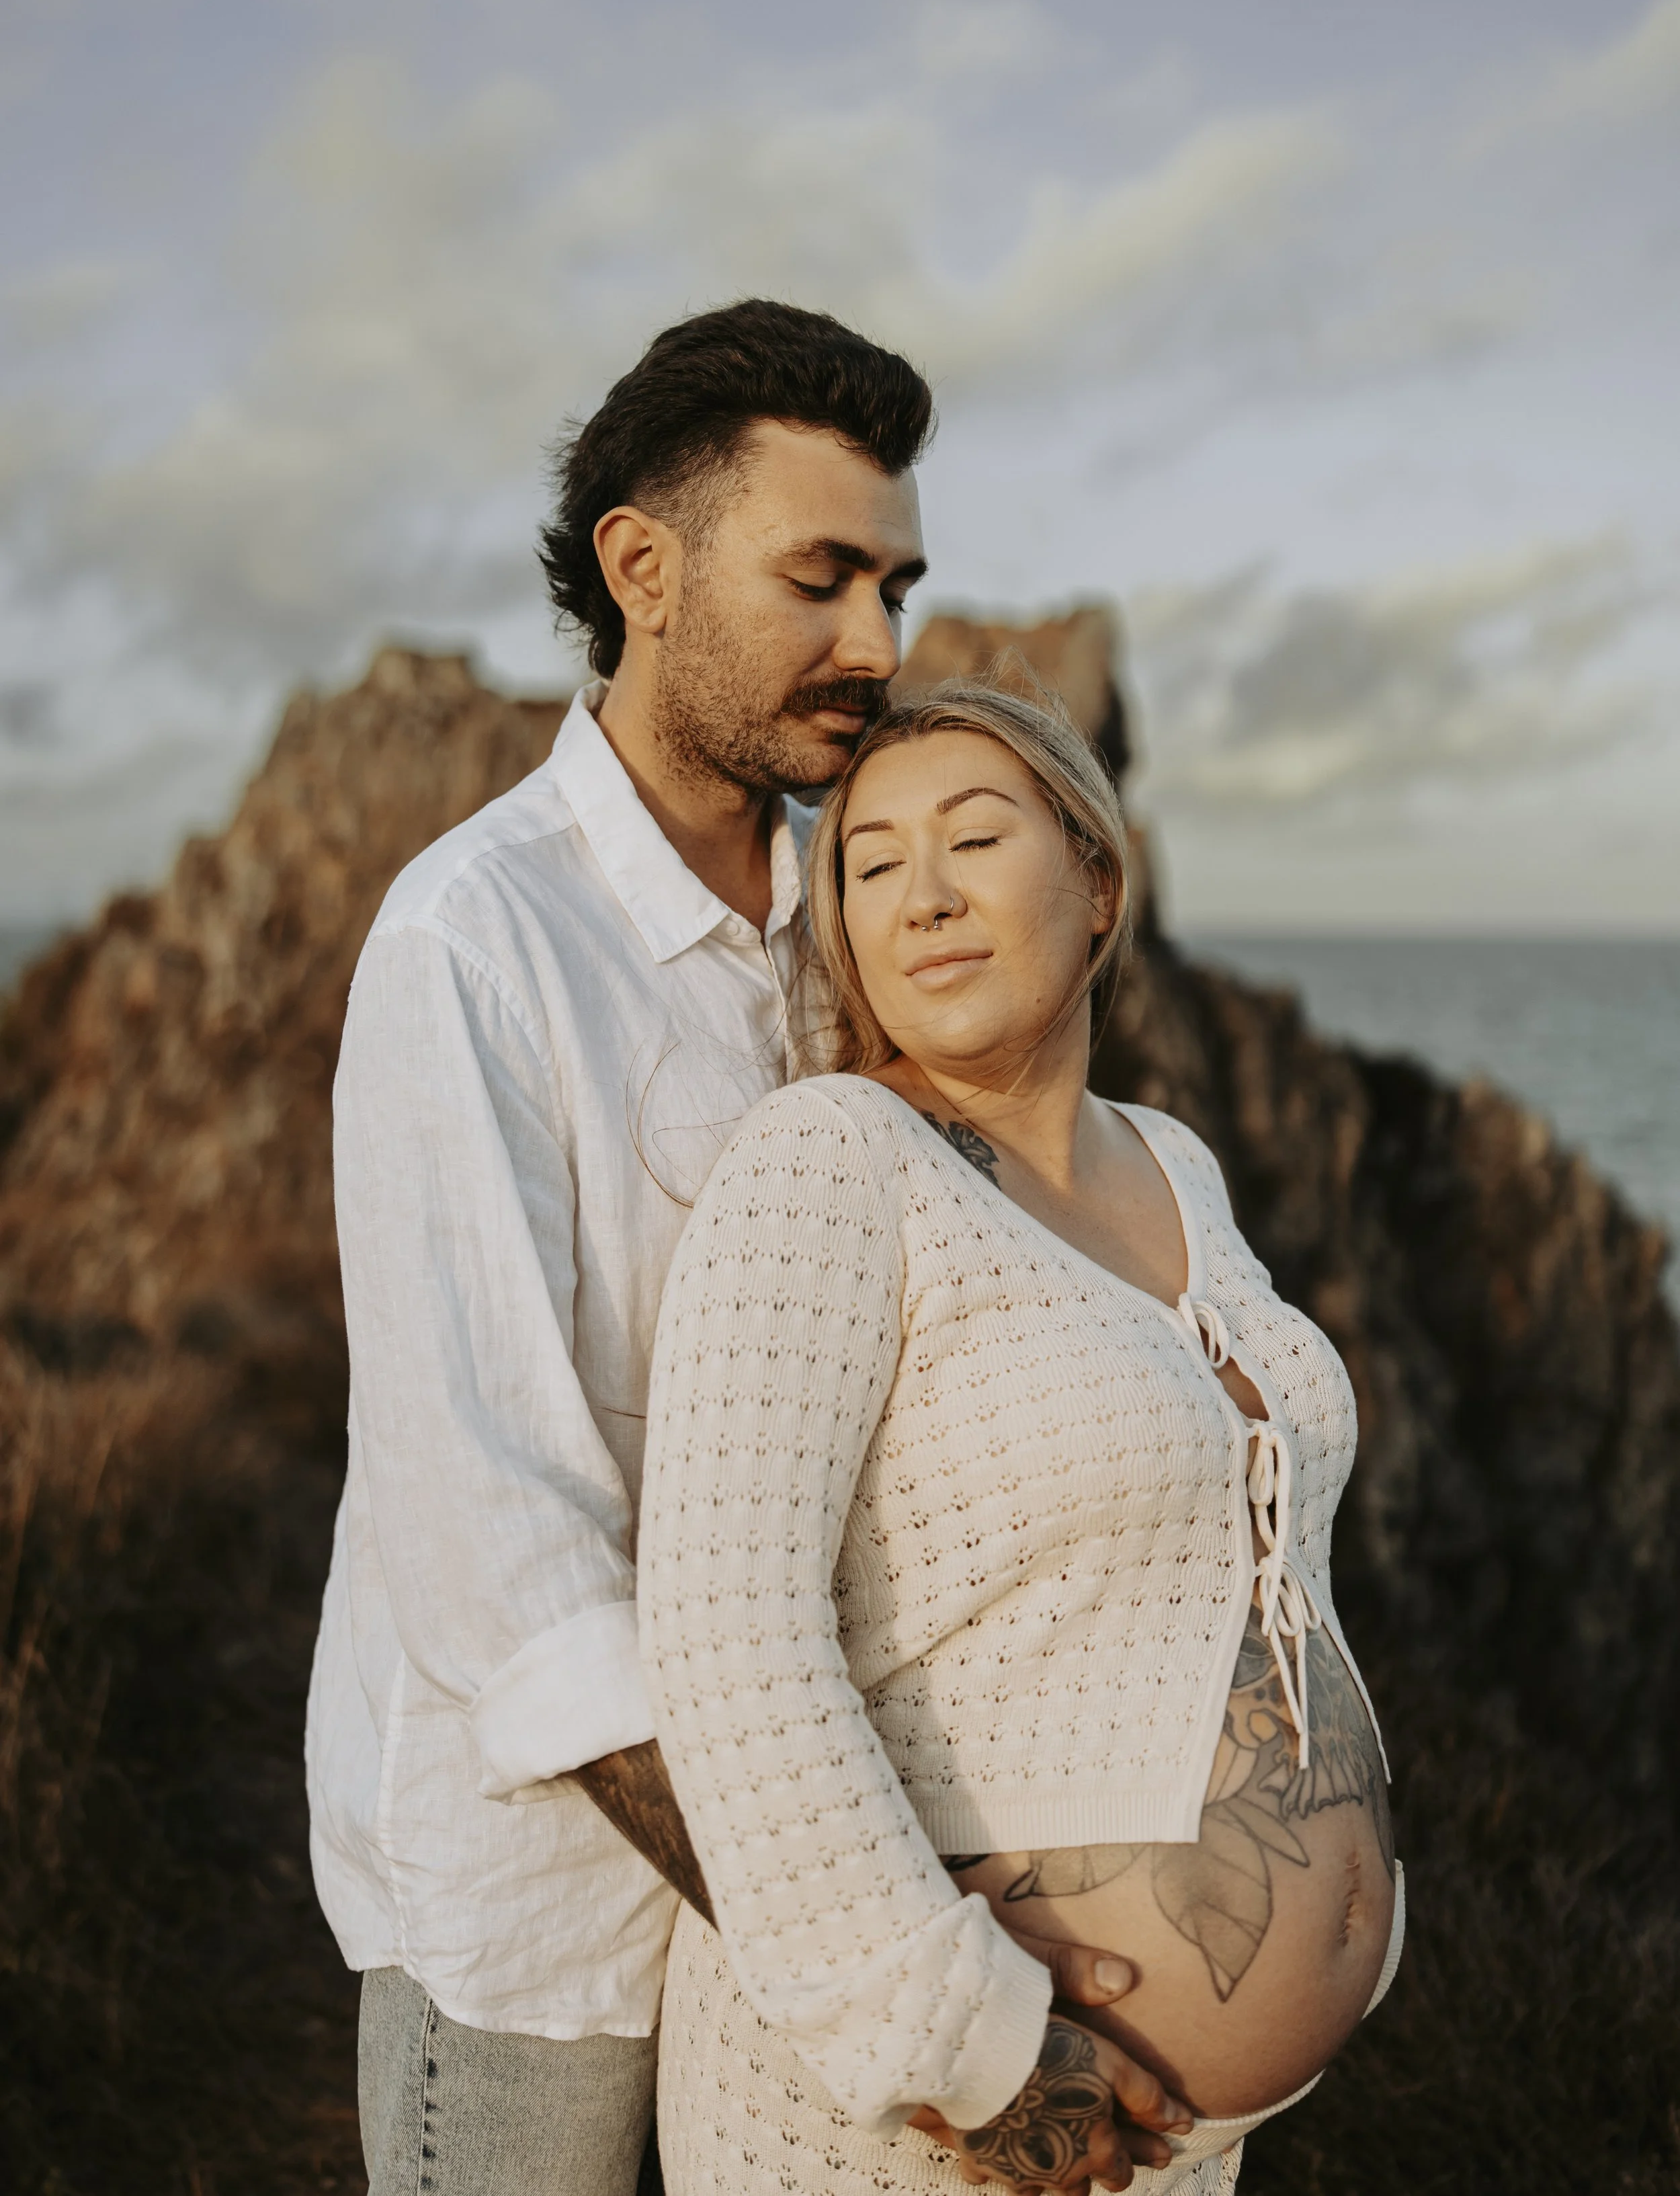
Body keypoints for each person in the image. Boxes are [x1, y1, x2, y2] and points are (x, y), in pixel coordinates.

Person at [306, 302, 1160, 2196]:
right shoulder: (472, 944)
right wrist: (871, 1955)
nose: (878, 642)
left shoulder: (850, 920)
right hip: (554, 1920)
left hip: (833, 1896)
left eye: (898, 583)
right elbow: (497, 1551)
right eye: (821, 576)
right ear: (643, 568)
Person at [638, 680, 1405, 2196]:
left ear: (1097, 882)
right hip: (922, 2130)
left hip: (1174, 2143)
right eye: (866, 866)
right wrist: (967, 2049)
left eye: (973, 839)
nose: (919, 897)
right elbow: (724, 1635)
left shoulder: (1174, 1164)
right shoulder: (831, 1161)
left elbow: (1253, 1556)